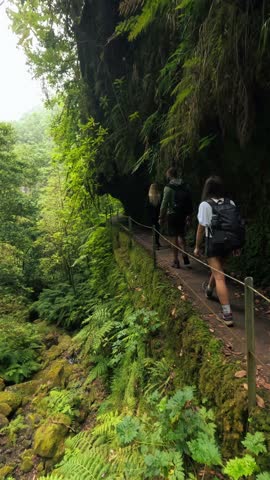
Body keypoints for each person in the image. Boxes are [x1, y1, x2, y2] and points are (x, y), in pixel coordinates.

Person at [194, 175, 242, 327]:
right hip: (229, 242)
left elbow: (201, 228)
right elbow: (236, 226)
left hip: (214, 241)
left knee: (219, 276)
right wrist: (236, 245)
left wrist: (197, 246)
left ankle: (227, 314)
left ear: (207, 189)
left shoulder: (205, 205)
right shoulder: (231, 202)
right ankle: (209, 289)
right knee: (218, 270)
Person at [159, 167, 193, 268]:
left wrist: (161, 217)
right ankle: (185, 254)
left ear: (169, 175)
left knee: (174, 236)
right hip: (183, 214)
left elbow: (164, 204)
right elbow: (189, 200)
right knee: (181, 235)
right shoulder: (185, 185)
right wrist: (189, 215)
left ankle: (175, 260)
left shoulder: (168, 188)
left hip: (172, 214)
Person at [148, 183, 162, 249]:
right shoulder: (159, 196)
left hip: (151, 216)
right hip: (158, 215)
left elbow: (146, 207)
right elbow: (161, 206)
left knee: (153, 229)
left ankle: (155, 243)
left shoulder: (149, 197)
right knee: (158, 229)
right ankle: (157, 242)